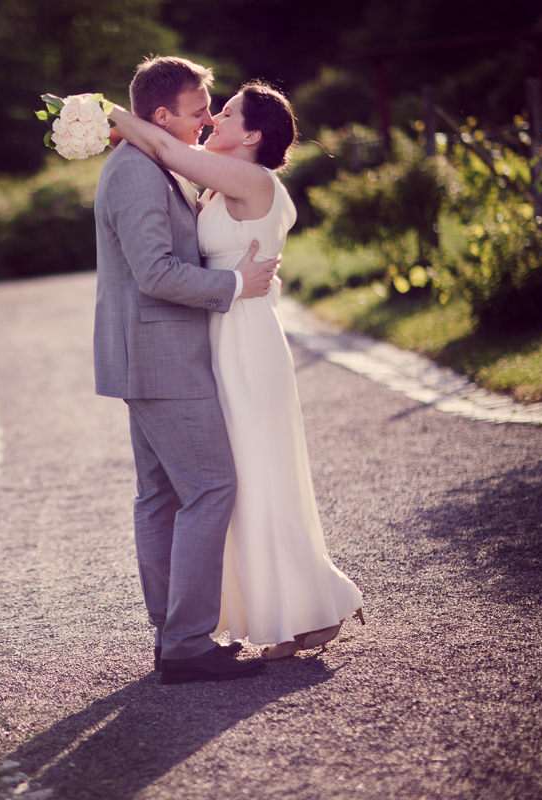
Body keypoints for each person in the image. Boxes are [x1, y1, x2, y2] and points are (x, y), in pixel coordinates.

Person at [106, 72, 365, 661]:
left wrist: (101, 114)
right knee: (236, 485)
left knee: (258, 479)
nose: (213, 120)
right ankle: (286, 608)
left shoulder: (252, 180)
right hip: (215, 341)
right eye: (211, 111)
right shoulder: (220, 182)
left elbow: (170, 145)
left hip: (247, 345)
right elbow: (171, 143)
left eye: (225, 114)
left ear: (251, 137)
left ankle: (307, 609)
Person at [93, 56, 279, 685]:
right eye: (199, 111)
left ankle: (174, 635)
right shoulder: (137, 175)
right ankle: (185, 645)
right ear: (162, 116)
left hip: (149, 356)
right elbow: (154, 273)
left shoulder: (149, 165)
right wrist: (235, 284)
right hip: (162, 358)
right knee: (210, 487)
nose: (206, 120)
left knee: (162, 497)